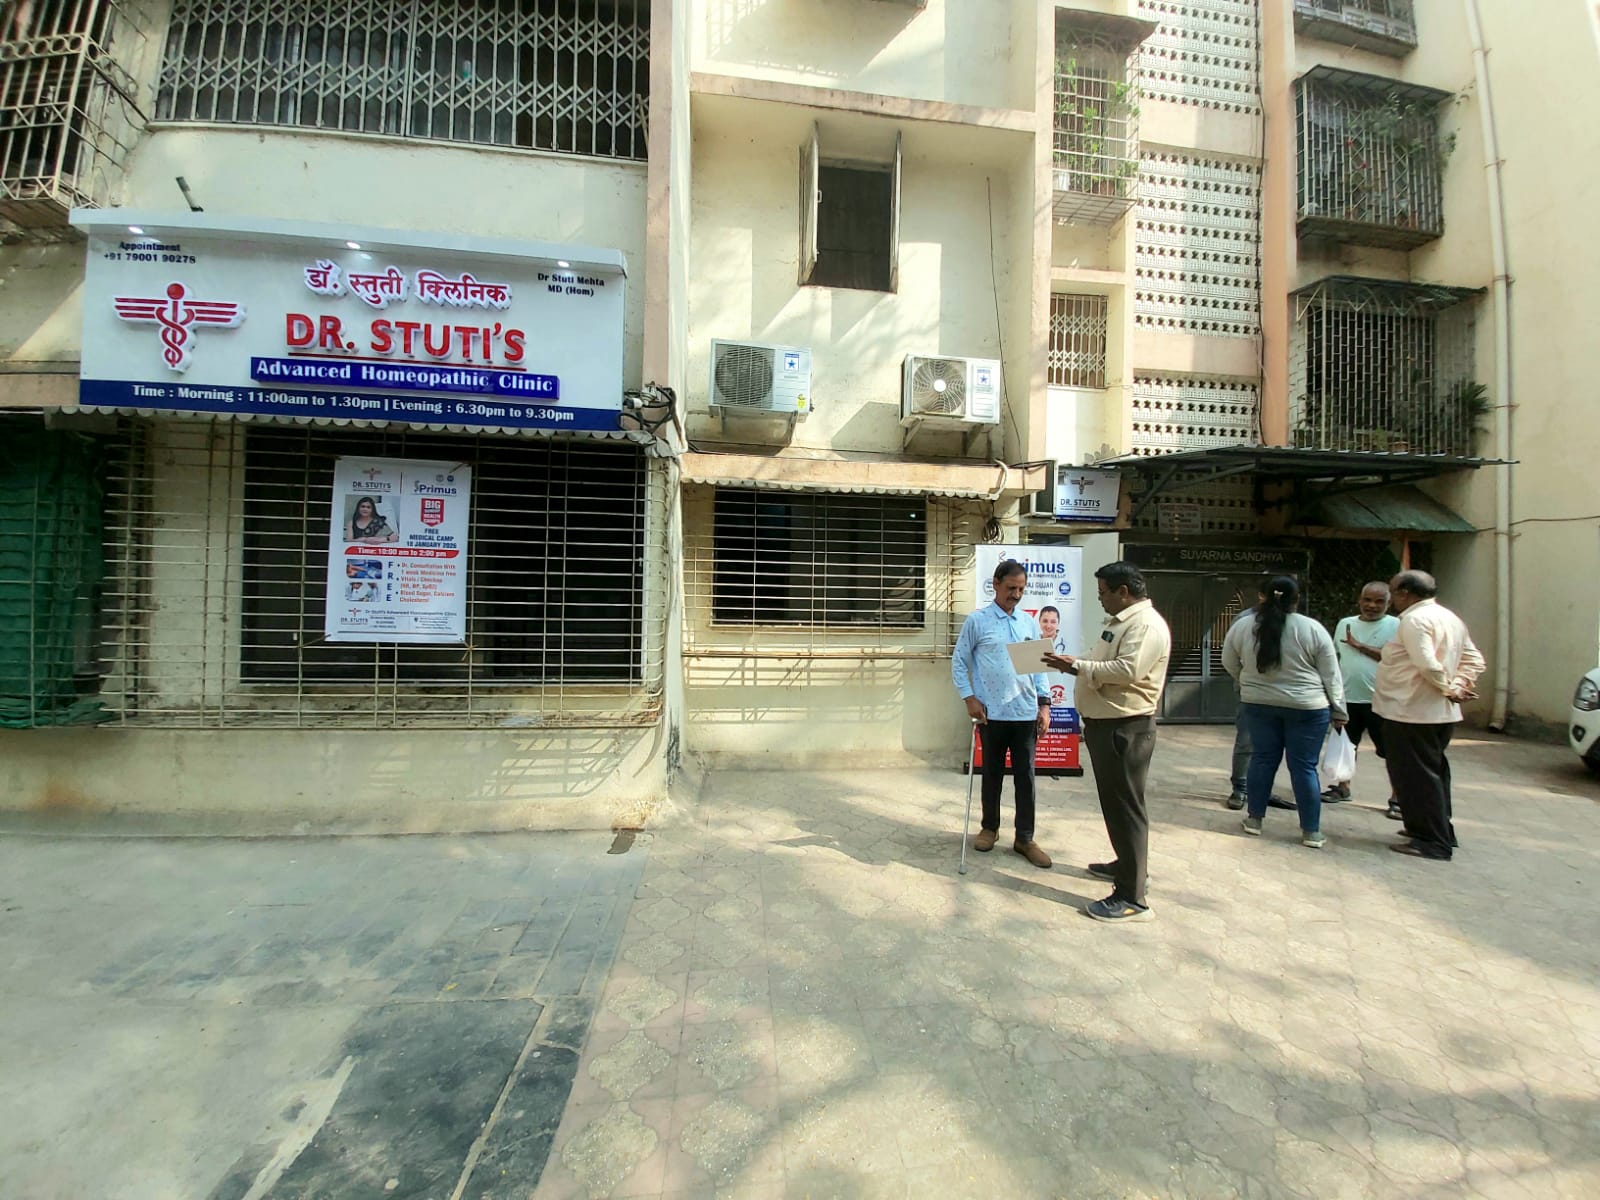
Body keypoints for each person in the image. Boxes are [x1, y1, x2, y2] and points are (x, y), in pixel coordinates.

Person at [1043, 561, 1171, 922]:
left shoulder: (1145, 625)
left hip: (1125, 728)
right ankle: (1127, 865)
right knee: (1115, 805)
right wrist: (1075, 662)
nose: (1100, 599)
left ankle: (1132, 897)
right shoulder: (1121, 623)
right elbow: (1103, 660)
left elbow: (1128, 670)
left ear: (1123, 592)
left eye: (1103, 593)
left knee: (1126, 808)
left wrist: (1079, 668)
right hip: (1108, 726)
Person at [1221, 575, 1346, 849]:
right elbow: (1331, 674)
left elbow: (1228, 660)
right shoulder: (1312, 628)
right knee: (1304, 767)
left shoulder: (1243, 626)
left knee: (1262, 760)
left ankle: (1254, 820)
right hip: (1307, 707)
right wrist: (1339, 710)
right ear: (1296, 599)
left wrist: (1248, 682)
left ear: (1262, 597)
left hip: (1258, 704)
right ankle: (1311, 832)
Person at [1373, 570, 1485, 861]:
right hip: (1434, 713)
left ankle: (1432, 841)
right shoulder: (1449, 618)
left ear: (1405, 593)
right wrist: (1457, 685)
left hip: (1412, 711)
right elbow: (1474, 660)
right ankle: (1436, 830)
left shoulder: (1415, 620)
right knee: (1432, 773)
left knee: (1416, 777)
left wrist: (1449, 687)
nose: (1391, 598)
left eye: (1393, 591)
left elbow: (1427, 664)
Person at [952, 560, 1054, 868]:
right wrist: (969, 698)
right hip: (991, 714)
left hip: (1025, 714)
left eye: (1021, 589)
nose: (1016, 595)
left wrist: (1044, 705)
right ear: (996, 584)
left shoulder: (1028, 623)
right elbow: (959, 662)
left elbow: (1038, 668)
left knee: (1026, 779)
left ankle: (1025, 838)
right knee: (992, 774)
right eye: (1011, 588)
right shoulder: (978, 621)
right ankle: (989, 828)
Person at [1325, 581, 1402, 812]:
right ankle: (1343, 787)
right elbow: (1335, 659)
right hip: (1347, 699)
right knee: (1346, 746)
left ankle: (1398, 799)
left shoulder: (1397, 625)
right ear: (1359, 600)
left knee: (1392, 752)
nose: (1372, 605)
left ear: (1389, 603)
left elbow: (1394, 657)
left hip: (1382, 701)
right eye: (1367, 600)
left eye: (1379, 601)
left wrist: (1359, 645)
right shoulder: (1345, 623)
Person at [1225, 587, 1293, 813]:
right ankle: (1240, 788)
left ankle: (1263, 788)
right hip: (1250, 692)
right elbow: (1231, 657)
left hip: (1280, 693)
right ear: (1261, 596)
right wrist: (1245, 680)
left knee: (1270, 743)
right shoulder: (1245, 620)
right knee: (1247, 740)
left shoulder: (1293, 621)